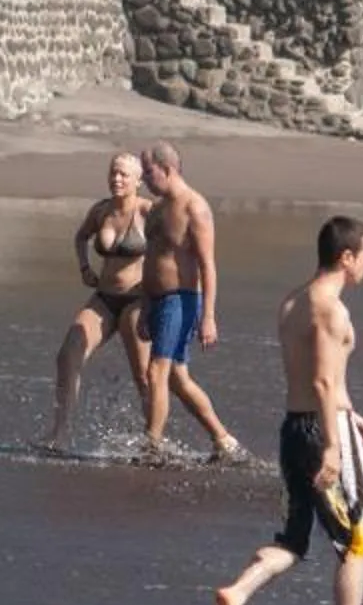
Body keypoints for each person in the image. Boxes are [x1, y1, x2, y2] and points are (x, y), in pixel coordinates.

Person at [206, 215, 363, 605]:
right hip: (324, 430)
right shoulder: (330, 309)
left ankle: (238, 592)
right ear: (346, 257)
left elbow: (324, 376)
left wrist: (350, 412)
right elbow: (322, 380)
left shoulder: (292, 301)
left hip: (294, 429)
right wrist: (336, 447)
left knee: (295, 538)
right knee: (355, 538)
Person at [138, 142, 246, 461]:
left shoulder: (194, 207)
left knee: (156, 372)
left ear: (167, 170)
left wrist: (208, 316)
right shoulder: (156, 209)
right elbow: (151, 259)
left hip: (181, 300)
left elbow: (207, 264)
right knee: (178, 379)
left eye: (148, 172)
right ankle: (223, 439)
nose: (144, 179)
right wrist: (145, 306)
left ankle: (152, 445)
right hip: (157, 301)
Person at [43, 152, 156, 453]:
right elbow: (80, 237)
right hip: (104, 299)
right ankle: (60, 434)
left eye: (123, 175)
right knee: (67, 355)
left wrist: (159, 286)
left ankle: (152, 441)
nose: (116, 179)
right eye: (113, 173)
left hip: (136, 301)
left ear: (138, 181)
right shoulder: (101, 211)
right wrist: (84, 268)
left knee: (143, 375)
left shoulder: (149, 212)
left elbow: (173, 249)